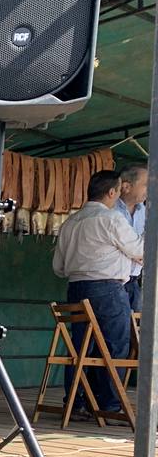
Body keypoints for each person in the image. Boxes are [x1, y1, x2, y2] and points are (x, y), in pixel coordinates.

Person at [53, 169, 145, 421]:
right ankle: (108, 405)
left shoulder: (71, 221)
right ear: (112, 192)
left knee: (81, 348)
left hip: (76, 288)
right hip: (108, 289)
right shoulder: (111, 219)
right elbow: (140, 249)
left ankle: (76, 402)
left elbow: (58, 267)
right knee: (115, 346)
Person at [116, 163, 148, 313]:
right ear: (126, 187)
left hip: (134, 280)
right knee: (113, 332)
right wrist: (137, 253)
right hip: (113, 281)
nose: (150, 190)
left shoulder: (144, 211)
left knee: (136, 332)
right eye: (146, 185)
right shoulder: (110, 210)